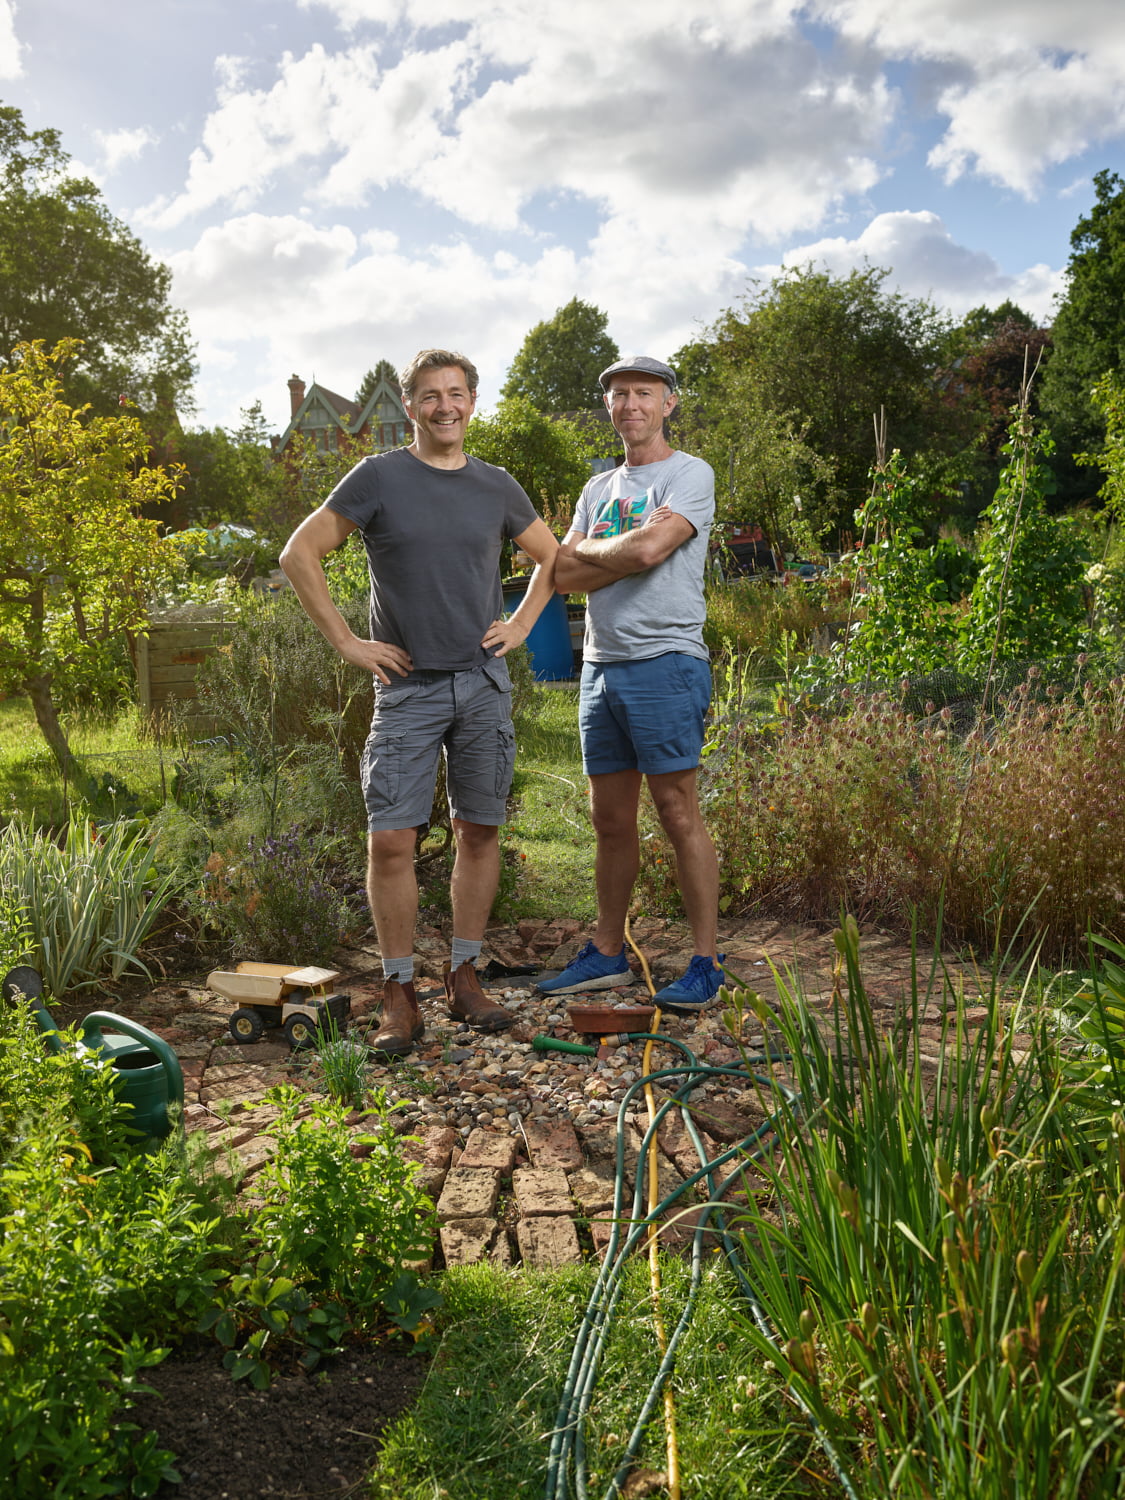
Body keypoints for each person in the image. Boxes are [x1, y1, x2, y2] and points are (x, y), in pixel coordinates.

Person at [280, 349, 558, 1056]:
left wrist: (521, 624)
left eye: (456, 394)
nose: (444, 407)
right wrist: (346, 641)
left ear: (472, 400)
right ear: (410, 407)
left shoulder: (495, 486)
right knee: (390, 840)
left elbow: (551, 558)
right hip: (406, 689)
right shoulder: (378, 477)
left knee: (479, 831)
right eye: (430, 396)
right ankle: (399, 991)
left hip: (481, 683)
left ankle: (465, 976)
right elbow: (298, 553)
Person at [538, 355, 723, 1013]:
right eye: (618, 395)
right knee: (609, 820)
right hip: (599, 667)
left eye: (642, 393)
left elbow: (648, 551)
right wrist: (617, 552)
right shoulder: (597, 489)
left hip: (665, 661)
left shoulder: (688, 473)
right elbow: (560, 573)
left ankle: (705, 963)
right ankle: (608, 954)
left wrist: (600, 553)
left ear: (668, 403)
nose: (629, 405)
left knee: (677, 812)